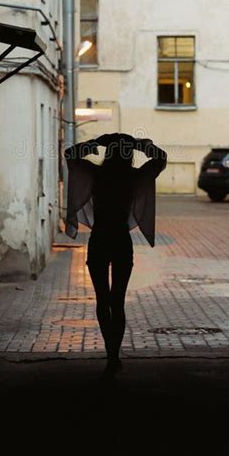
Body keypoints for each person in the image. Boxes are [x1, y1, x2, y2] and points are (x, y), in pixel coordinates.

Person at [64, 133, 167, 373]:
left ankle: (110, 351)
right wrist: (141, 145)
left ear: (108, 153)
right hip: (121, 240)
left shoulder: (96, 175)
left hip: (99, 239)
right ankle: (114, 355)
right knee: (117, 300)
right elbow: (161, 159)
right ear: (129, 154)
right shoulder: (133, 178)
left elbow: (70, 155)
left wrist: (99, 142)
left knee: (103, 299)